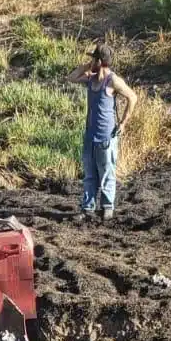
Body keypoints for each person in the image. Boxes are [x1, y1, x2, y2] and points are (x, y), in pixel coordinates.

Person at [67, 44, 137, 221]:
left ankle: (107, 208)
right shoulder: (90, 78)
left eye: (93, 59)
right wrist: (87, 66)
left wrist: (123, 123)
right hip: (90, 135)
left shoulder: (113, 81)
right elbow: (71, 77)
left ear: (100, 61)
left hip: (107, 135)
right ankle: (87, 208)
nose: (90, 62)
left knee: (107, 173)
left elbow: (132, 97)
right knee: (90, 175)